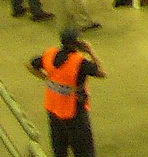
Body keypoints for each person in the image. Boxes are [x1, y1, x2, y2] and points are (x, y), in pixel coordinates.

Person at [28, 26, 104, 157]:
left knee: (59, 148)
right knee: (83, 150)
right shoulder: (79, 62)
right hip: (74, 111)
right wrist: (91, 51)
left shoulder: (50, 54)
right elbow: (101, 72)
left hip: (53, 109)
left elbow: (30, 65)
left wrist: (45, 77)